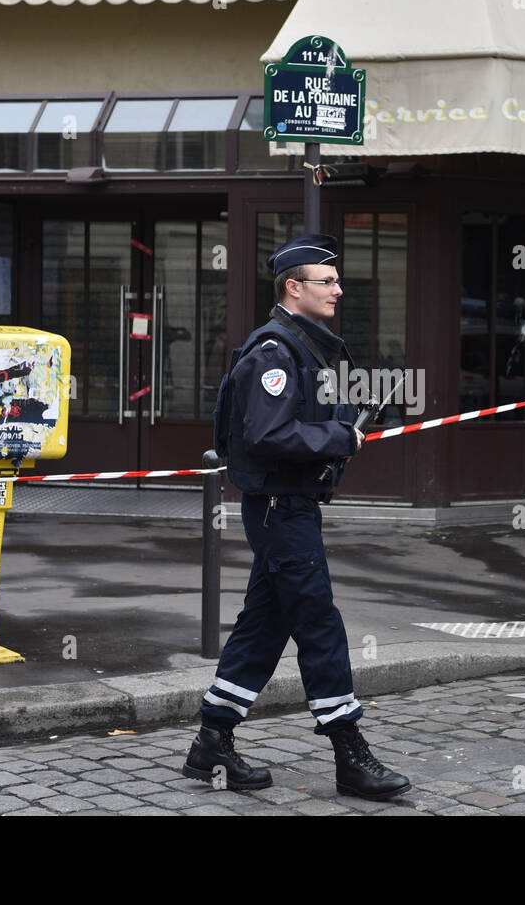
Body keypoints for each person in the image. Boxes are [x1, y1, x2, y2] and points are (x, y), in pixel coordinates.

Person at [180, 233, 411, 801]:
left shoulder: (302, 347)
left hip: (291, 506)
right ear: (293, 288)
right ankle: (349, 753)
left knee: (264, 627)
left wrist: (341, 424)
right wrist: (341, 437)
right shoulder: (274, 352)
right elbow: (270, 432)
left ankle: (212, 739)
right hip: (282, 510)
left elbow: (294, 421)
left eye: (336, 281)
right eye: (325, 281)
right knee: (319, 624)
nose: (337, 289)